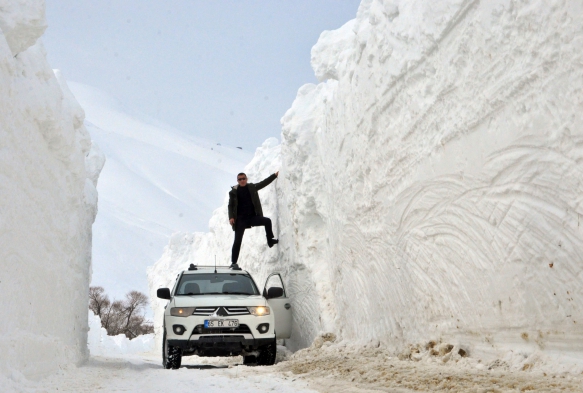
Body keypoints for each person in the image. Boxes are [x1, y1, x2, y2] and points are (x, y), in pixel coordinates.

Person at [228, 171, 279, 268]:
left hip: (251, 217)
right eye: (240, 179)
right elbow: (230, 205)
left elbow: (263, 183)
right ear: (237, 181)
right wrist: (231, 217)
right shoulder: (233, 192)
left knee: (267, 221)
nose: (242, 180)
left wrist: (274, 175)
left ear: (246, 179)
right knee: (237, 241)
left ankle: (270, 240)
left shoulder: (252, 187)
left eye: (244, 178)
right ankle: (233, 262)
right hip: (240, 220)